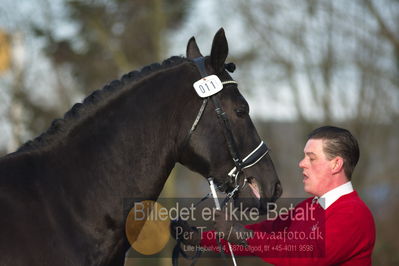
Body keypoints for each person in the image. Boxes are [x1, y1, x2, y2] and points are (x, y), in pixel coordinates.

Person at [172, 126, 376, 265]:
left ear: (336, 164)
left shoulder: (353, 214)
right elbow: (263, 236)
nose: (302, 163)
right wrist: (198, 238)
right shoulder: (308, 208)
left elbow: (304, 257)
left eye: (311, 158)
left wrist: (240, 234)